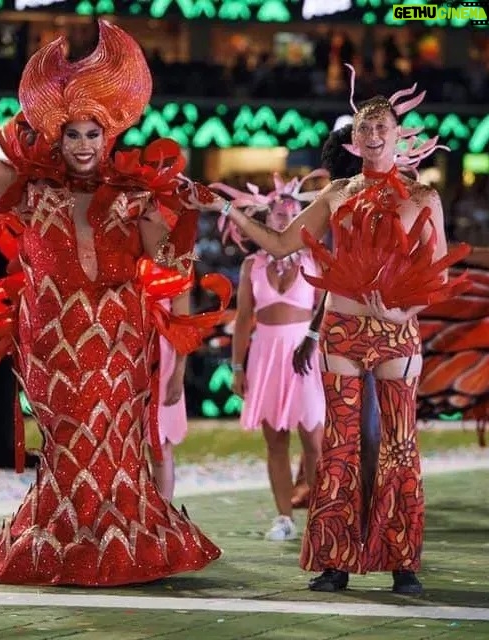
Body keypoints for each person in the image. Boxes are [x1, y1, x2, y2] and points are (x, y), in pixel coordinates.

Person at [0, 20, 227, 587]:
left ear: (109, 136)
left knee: (116, 441)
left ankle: (125, 544)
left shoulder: (134, 197)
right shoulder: (28, 192)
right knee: (70, 439)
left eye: (93, 134)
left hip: (121, 339)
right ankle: (65, 546)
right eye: (73, 135)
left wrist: (184, 213)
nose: (84, 145)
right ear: (57, 138)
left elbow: (164, 259)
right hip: (50, 345)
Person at [183, 70, 470, 594]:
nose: (374, 135)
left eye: (382, 125)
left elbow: (440, 278)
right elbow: (279, 244)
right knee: (339, 444)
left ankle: (401, 563)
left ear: (397, 133)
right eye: (365, 128)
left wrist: (404, 313)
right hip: (341, 329)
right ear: (355, 141)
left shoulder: (424, 198)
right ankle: (335, 562)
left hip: (395, 332)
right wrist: (224, 207)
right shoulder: (337, 194)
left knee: (398, 445)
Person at [210, 174, 326, 541]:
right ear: (265, 216)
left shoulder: (314, 259)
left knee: (314, 441)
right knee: (275, 440)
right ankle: (284, 518)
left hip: (304, 353)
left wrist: (314, 341)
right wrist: (238, 366)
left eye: (292, 208)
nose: (285, 213)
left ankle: (326, 516)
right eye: (278, 209)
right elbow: (244, 319)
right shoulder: (252, 265)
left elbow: (327, 307)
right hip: (266, 353)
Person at [292, 123, 381, 517]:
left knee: (363, 428)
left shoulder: (363, 199)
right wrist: (312, 332)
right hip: (364, 321)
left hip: (378, 323)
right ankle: (360, 511)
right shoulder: (349, 199)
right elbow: (336, 277)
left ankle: (363, 512)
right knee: (358, 427)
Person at [152, 289, 190, 501]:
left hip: (164, 359)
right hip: (130, 355)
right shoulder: (129, 260)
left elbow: (183, 325)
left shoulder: (176, 268)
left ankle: (163, 512)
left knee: (161, 443)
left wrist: (178, 372)